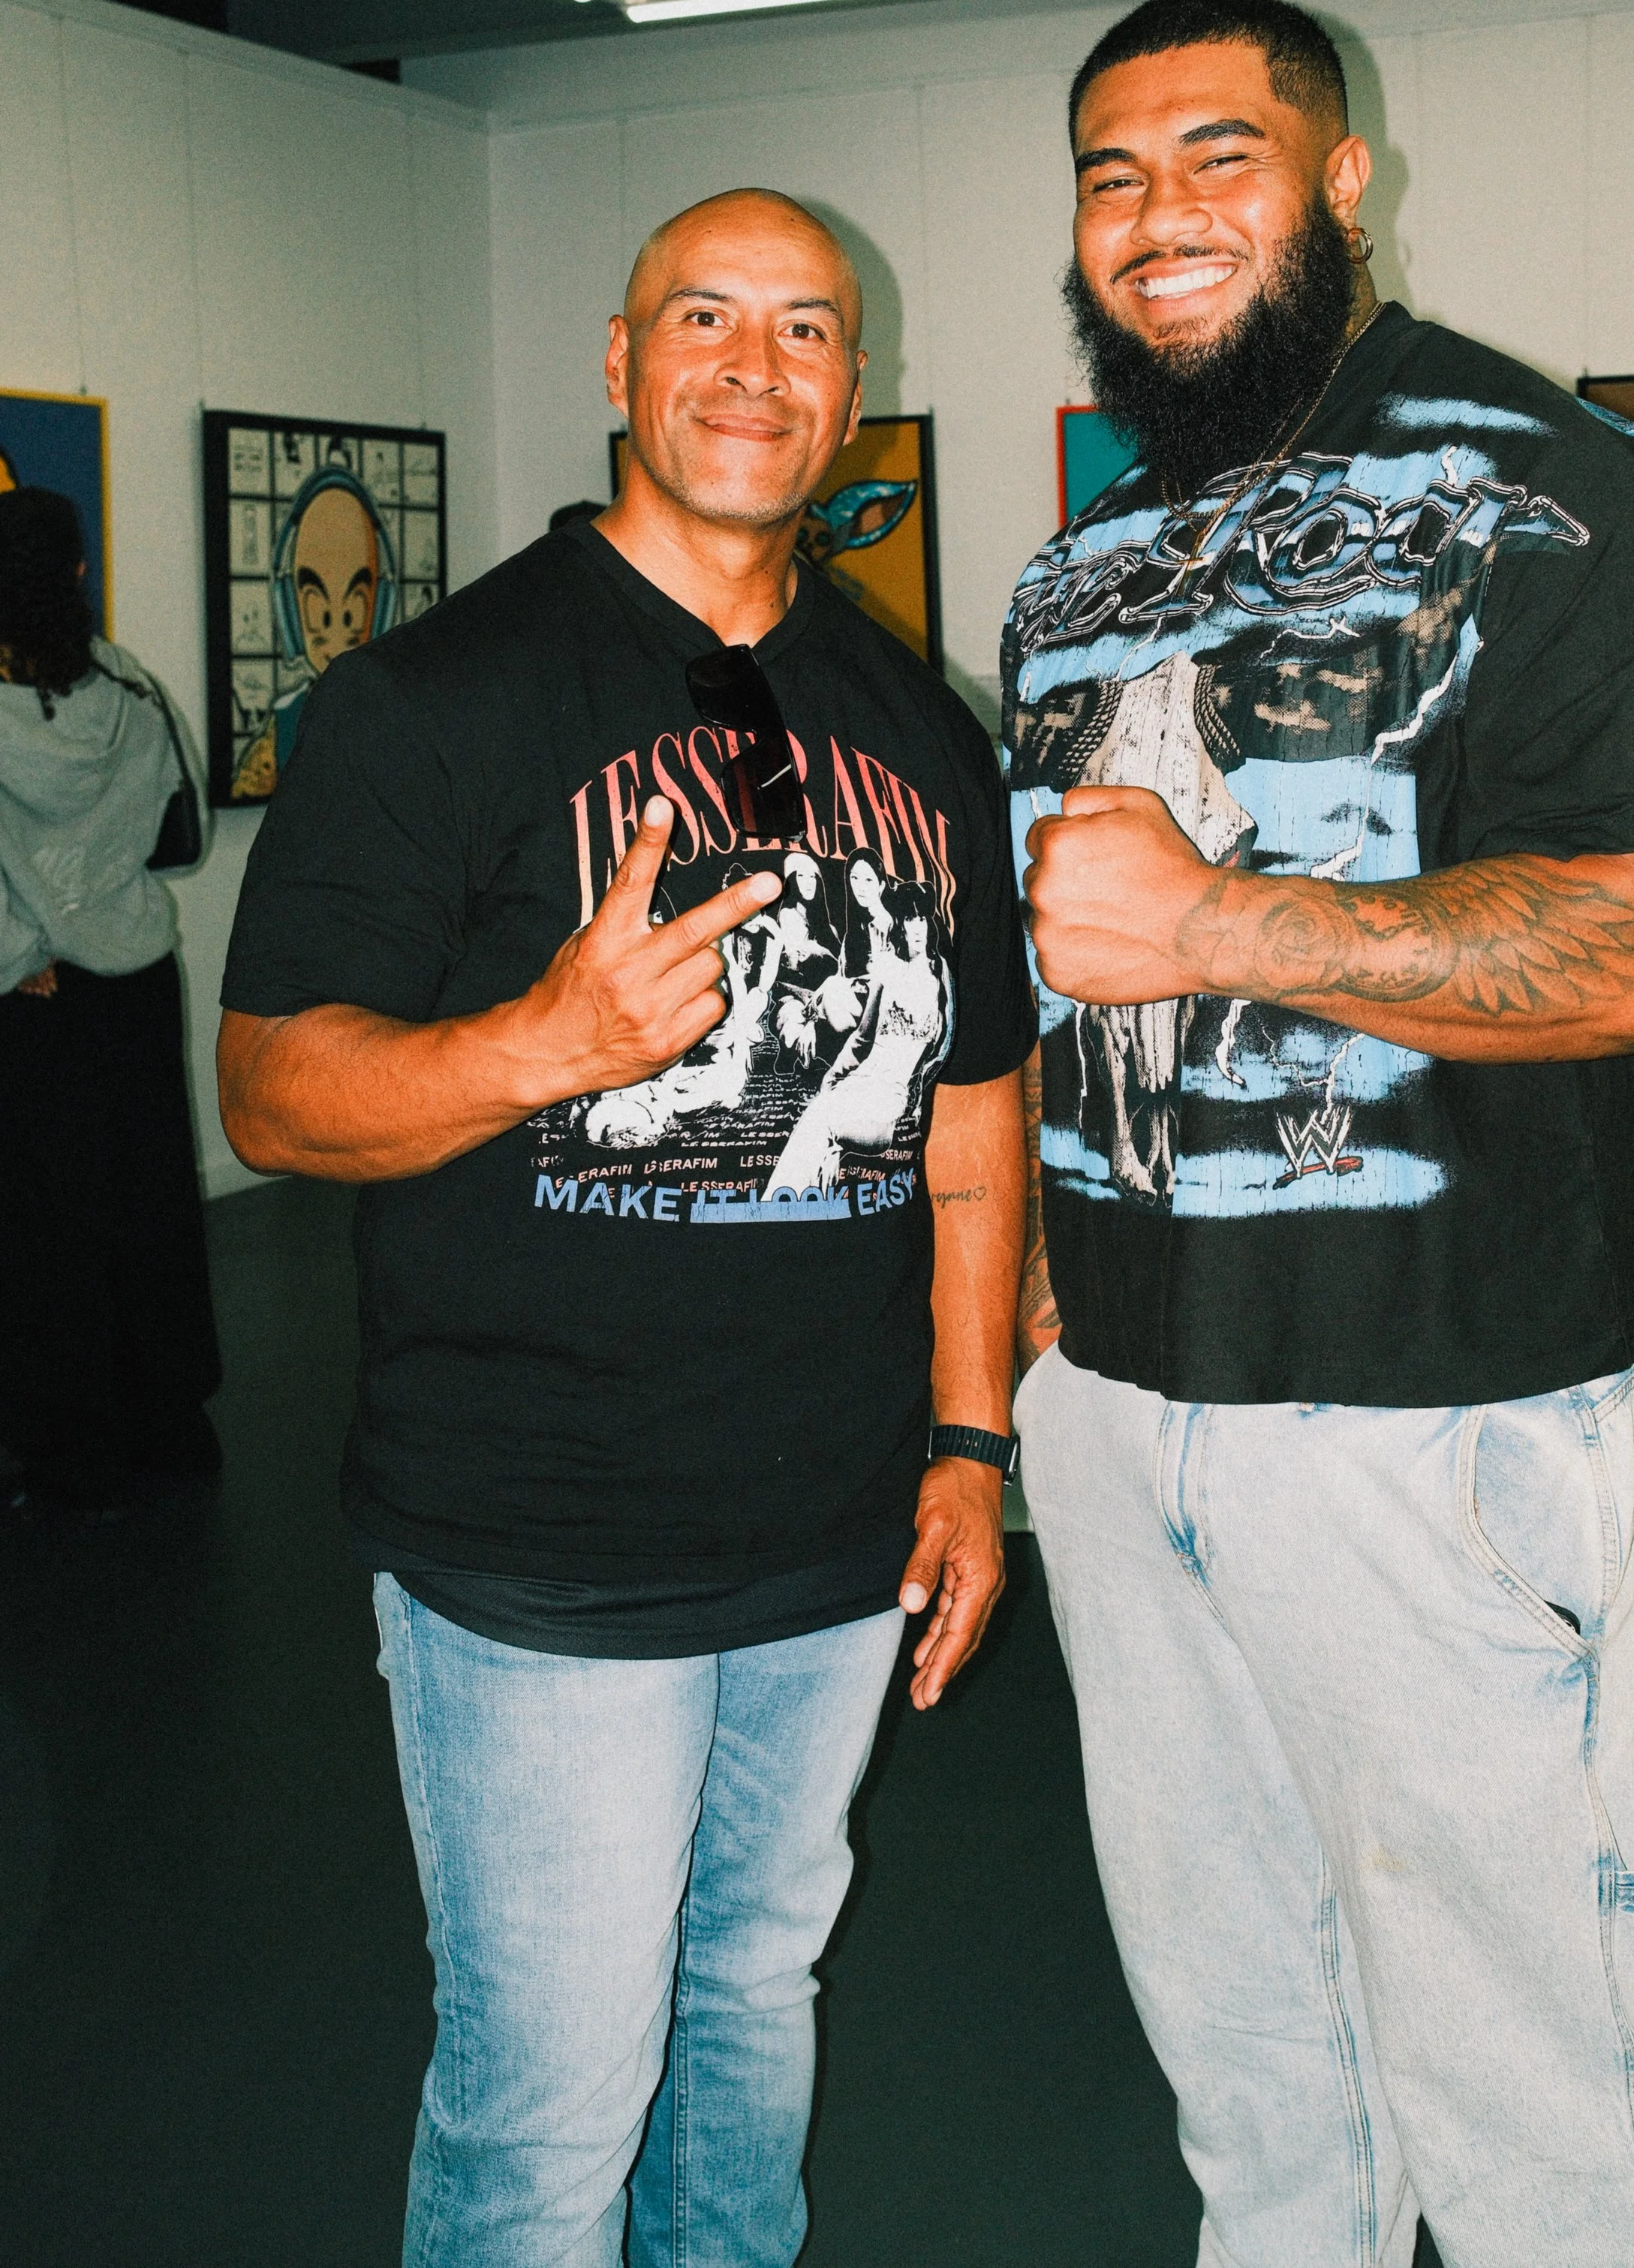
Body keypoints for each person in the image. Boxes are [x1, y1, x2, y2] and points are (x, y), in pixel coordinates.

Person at [1003, 0, 1634, 2268]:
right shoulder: (1075, 569)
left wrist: (1223, 918)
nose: (1155, 216)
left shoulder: (1543, 481)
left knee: (1532, 2075)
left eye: (1216, 155)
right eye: (1109, 173)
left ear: (1342, 180)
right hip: (1127, 1413)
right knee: (1245, 2058)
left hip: (1438, 1416)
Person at [217, 188, 1033, 2268]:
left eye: (805, 330)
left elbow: (968, 1108)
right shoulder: (433, 698)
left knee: (756, 2001)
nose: (753, 365)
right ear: (616, 360)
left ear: (853, 392)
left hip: (837, 1531)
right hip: (543, 1542)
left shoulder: (919, 725)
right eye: (705, 317)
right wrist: (535, 1040)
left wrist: (967, 1444)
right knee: (548, 2103)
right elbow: (274, 1090)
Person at [0, 486, 221, 1518]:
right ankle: (171, 1427)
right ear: (77, 575)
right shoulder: (129, 684)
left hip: (32, 996)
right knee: (151, 1200)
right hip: (133, 977)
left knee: (48, 1230)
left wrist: (21, 949)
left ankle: (71, 1457)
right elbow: (187, 825)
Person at [230, 462, 398, 799]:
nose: (336, 635)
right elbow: (246, 789)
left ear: (378, 611)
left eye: (352, 611)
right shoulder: (286, 720)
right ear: (291, 613)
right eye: (318, 610)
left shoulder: (398, 717)